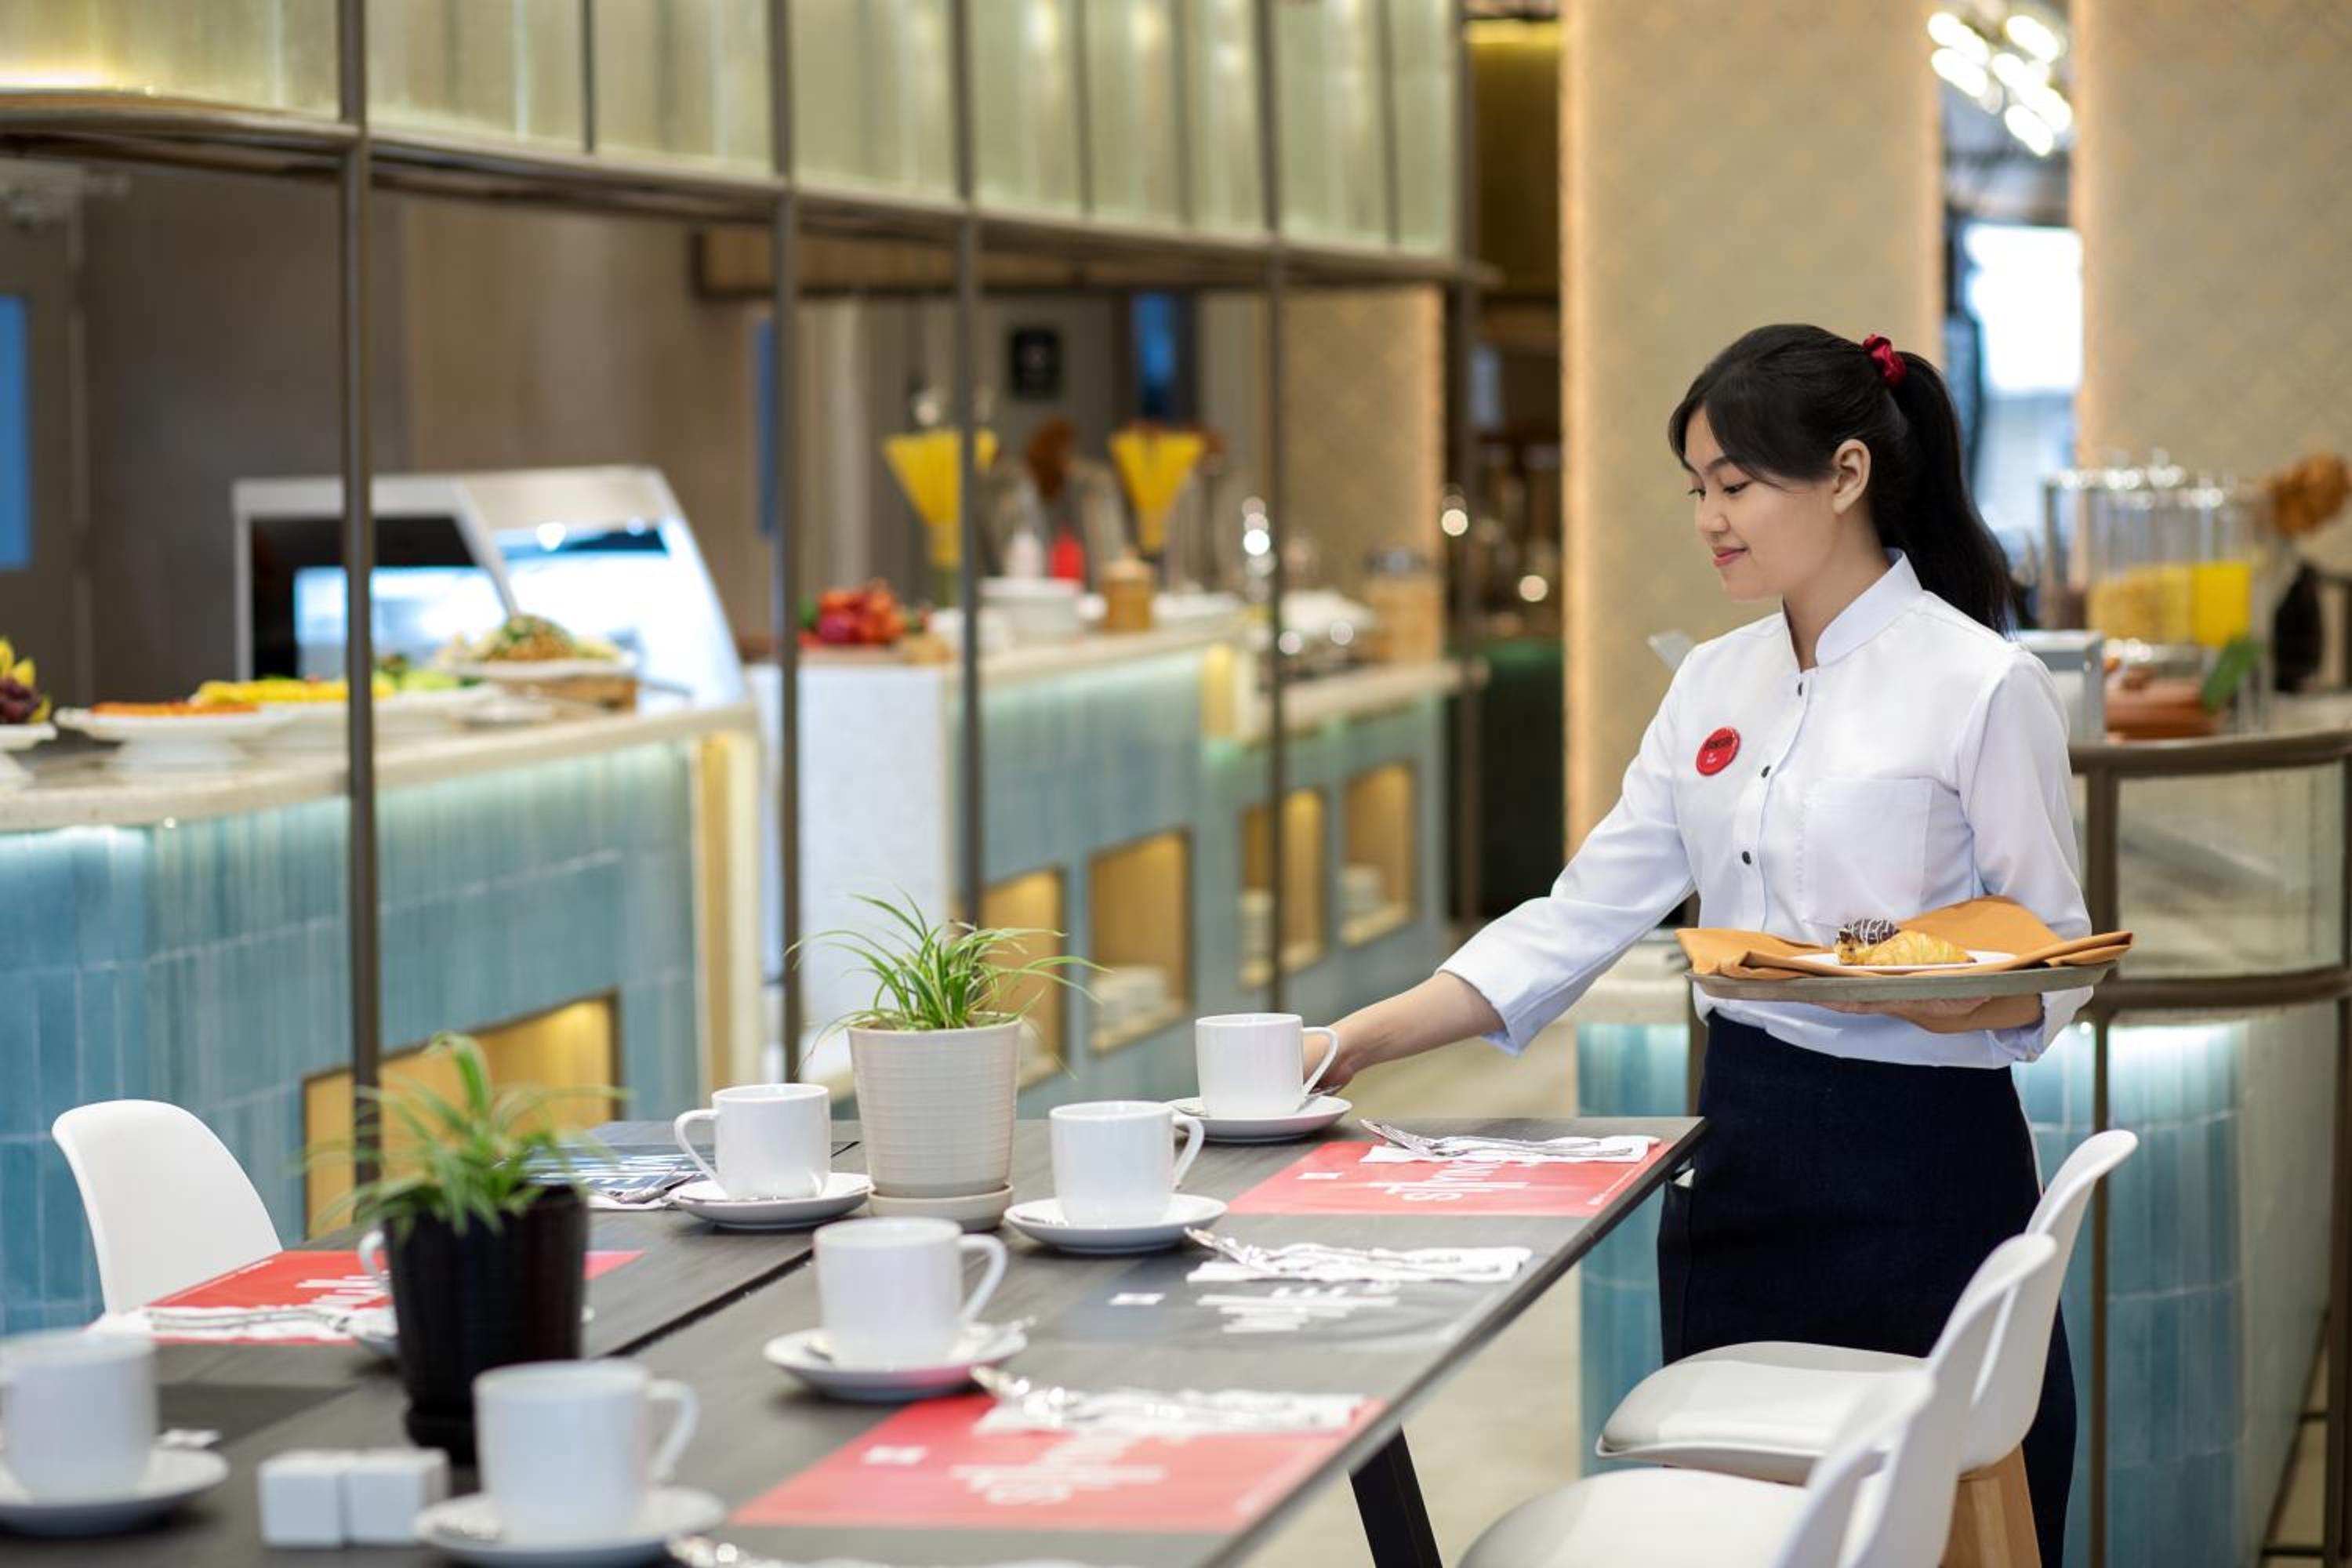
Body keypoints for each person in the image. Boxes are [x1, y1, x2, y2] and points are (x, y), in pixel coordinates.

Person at [1320, 323, 2089, 1563]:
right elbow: (1579, 914)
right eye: (1697, 490)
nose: (1709, 520)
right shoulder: (1712, 687)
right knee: (1742, 1529)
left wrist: (1937, 993)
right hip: (1746, 1151)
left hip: (1926, 1172)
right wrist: (1354, 1042)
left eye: (1735, 485)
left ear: (1846, 475)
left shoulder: (1981, 682)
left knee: (1919, 1523)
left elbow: (2052, 954)